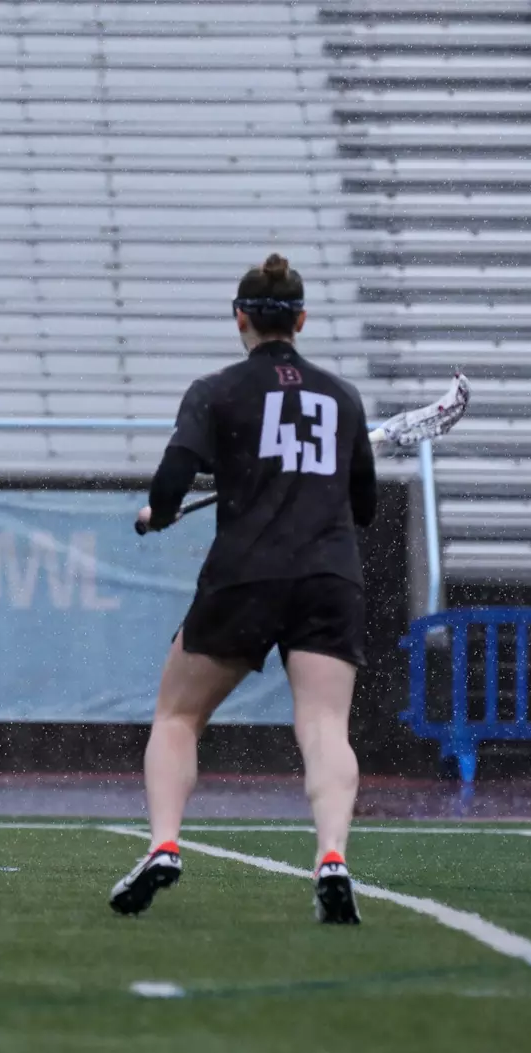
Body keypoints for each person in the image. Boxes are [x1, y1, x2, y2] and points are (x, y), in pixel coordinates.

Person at [110, 254, 376, 924]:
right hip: (328, 575)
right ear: (301, 320)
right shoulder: (343, 398)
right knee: (324, 724)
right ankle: (332, 856)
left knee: (177, 717)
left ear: (239, 318)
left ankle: (165, 844)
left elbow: (170, 486)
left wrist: (158, 513)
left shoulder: (216, 391)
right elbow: (366, 508)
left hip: (245, 574)